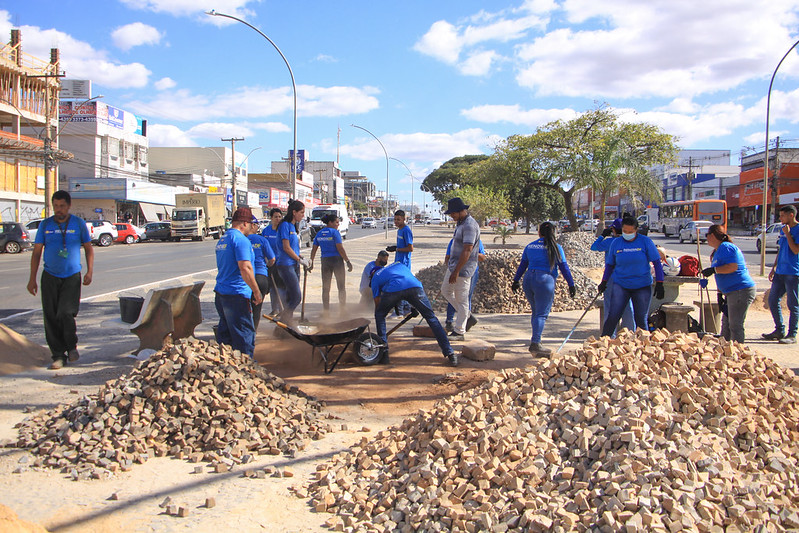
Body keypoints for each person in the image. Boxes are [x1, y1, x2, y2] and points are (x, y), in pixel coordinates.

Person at [27, 190, 94, 370]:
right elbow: (36, 253)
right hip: (50, 276)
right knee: (50, 316)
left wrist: (89, 272)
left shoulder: (78, 224)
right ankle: (58, 355)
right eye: (56, 206)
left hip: (72, 276)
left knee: (65, 312)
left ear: (69, 206)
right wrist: (32, 279)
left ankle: (71, 346)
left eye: (62, 206)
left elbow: (89, 249)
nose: (59, 209)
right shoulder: (45, 225)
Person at [370, 261, 458, 366]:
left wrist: (381, 311)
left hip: (394, 290)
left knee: (379, 315)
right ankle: (450, 352)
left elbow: (378, 301)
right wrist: (414, 305)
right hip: (415, 287)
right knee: (431, 317)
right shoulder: (398, 264)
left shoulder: (375, 276)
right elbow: (405, 285)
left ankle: (384, 353)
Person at [511, 222, 576, 356]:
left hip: (528, 279)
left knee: (536, 312)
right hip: (545, 280)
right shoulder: (556, 248)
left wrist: (516, 280)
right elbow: (564, 267)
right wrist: (571, 284)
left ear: (539, 233)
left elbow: (523, 265)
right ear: (553, 233)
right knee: (541, 314)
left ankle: (536, 340)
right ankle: (536, 344)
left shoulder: (530, 246)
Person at [598, 216, 664, 337]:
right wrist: (604, 282)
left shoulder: (645, 242)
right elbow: (610, 265)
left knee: (640, 317)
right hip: (621, 284)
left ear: (636, 230)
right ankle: (604, 342)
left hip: (642, 285)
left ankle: (644, 345)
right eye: (625, 231)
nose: (627, 234)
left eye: (630, 232)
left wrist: (660, 282)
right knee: (613, 315)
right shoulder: (616, 243)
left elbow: (656, 262)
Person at [214, 207, 262, 357]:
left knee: (226, 336)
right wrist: (256, 291)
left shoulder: (224, 238)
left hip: (221, 294)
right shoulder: (241, 240)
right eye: (251, 224)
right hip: (237, 295)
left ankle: (228, 370)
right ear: (245, 223)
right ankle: (246, 371)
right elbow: (245, 268)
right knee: (244, 337)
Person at [700, 225, 756, 343]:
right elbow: (721, 275)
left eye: (707, 235)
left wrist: (713, 270)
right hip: (730, 292)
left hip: (740, 290)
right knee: (726, 324)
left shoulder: (726, 247)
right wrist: (720, 295)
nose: (707, 238)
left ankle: (738, 351)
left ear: (713, 235)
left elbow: (732, 267)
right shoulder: (717, 251)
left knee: (735, 324)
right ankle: (725, 352)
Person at [440, 197, 481, 341]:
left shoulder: (470, 225)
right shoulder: (460, 223)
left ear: (461, 211)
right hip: (453, 266)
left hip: (463, 269)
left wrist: (457, 271)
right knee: (445, 291)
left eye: (453, 213)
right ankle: (467, 317)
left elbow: (467, 251)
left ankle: (459, 331)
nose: (451, 216)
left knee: (462, 299)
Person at [590, 218, 634, 336]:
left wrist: (602, 236)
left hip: (611, 278)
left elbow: (594, 247)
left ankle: (610, 336)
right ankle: (630, 335)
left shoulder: (609, 242)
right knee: (628, 307)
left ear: (613, 230)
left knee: (609, 306)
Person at [762, 204, 799, 344]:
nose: (780, 218)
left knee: (793, 304)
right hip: (780, 272)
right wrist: (774, 267)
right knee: (772, 300)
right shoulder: (783, 230)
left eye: (783, 215)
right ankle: (779, 330)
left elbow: (795, 250)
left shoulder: (796, 230)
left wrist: (789, 234)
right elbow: (781, 249)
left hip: (793, 272)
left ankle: (792, 334)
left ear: (791, 215)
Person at [276, 200, 310, 324]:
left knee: (291, 297)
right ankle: (283, 322)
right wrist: (299, 260)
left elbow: (294, 248)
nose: (303, 215)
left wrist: (301, 258)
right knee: (296, 297)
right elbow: (286, 247)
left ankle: (286, 323)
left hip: (293, 264)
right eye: (301, 212)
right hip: (286, 265)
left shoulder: (292, 226)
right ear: (294, 212)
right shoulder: (285, 225)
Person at [310, 213, 353, 310]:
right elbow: (340, 248)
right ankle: (342, 309)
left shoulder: (319, 233)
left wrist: (311, 262)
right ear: (330, 222)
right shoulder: (334, 232)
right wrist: (347, 261)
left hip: (325, 261)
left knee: (326, 288)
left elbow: (314, 249)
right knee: (341, 287)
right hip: (337, 261)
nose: (338, 224)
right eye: (336, 222)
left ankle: (326, 311)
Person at [444, 239, 484, 332]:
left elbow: (482, 257)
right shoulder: (454, 241)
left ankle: (464, 323)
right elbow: (447, 257)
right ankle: (450, 321)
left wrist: (469, 253)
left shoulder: (475, 240)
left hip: (470, 272)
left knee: (465, 297)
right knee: (451, 294)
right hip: (455, 271)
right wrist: (451, 270)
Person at [247, 216, 276, 329]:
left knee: (246, 308)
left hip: (246, 278)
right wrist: (266, 266)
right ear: (253, 225)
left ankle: (246, 333)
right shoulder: (262, 240)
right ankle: (253, 334)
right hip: (261, 276)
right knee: (256, 309)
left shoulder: (242, 240)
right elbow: (272, 259)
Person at [386, 210, 413, 316]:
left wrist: (397, 249)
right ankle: (406, 308)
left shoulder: (406, 230)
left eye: (398, 219)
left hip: (404, 263)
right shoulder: (399, 231)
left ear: (404, 219)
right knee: (401, 286)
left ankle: (399, 312)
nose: (396, 222)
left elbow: (410, 248)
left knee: (399, 286)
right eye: (395, 219)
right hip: (398, 262)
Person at [261, 208, 284, 315]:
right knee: (272, 288)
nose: (278, 219)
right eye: (275, 217)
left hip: (281, 263)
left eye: (280, 217)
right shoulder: (266, 231)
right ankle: (274, 309)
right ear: (271, 218)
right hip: (270, 263)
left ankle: (282, 309)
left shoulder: (283, 230)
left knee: (281, 287)